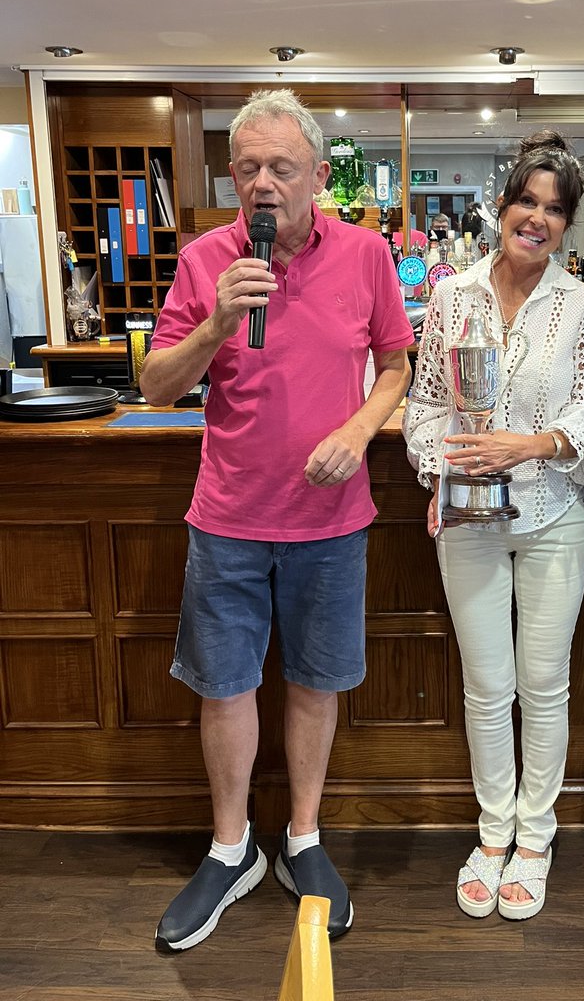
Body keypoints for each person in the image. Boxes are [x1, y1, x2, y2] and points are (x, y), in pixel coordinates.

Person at [141, 89, 413, 951]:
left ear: (318, 177)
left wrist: (360, 428)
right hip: (227, 515)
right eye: (248, 168)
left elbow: (397, 365)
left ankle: (302, 837)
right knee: (224, 684)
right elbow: (157, 387)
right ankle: (231, 851)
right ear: (231, 177)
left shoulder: (367, 255)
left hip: (331, 517)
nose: (263, 184)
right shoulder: (204, 262)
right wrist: (218, 318)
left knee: (317, 680)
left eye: (281, 168)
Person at [402, 131, 584, 921]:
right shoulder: (450, 294)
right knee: (487, 688)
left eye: (555, 210)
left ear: (568, 226)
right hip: (469, 518)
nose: (538, 218)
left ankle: (536, 836)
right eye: (527, 200)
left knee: (542, 687)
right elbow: (425, 402)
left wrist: (533, 444)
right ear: (501, 205)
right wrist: (441, 469)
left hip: (555, 513)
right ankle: (492, 834)